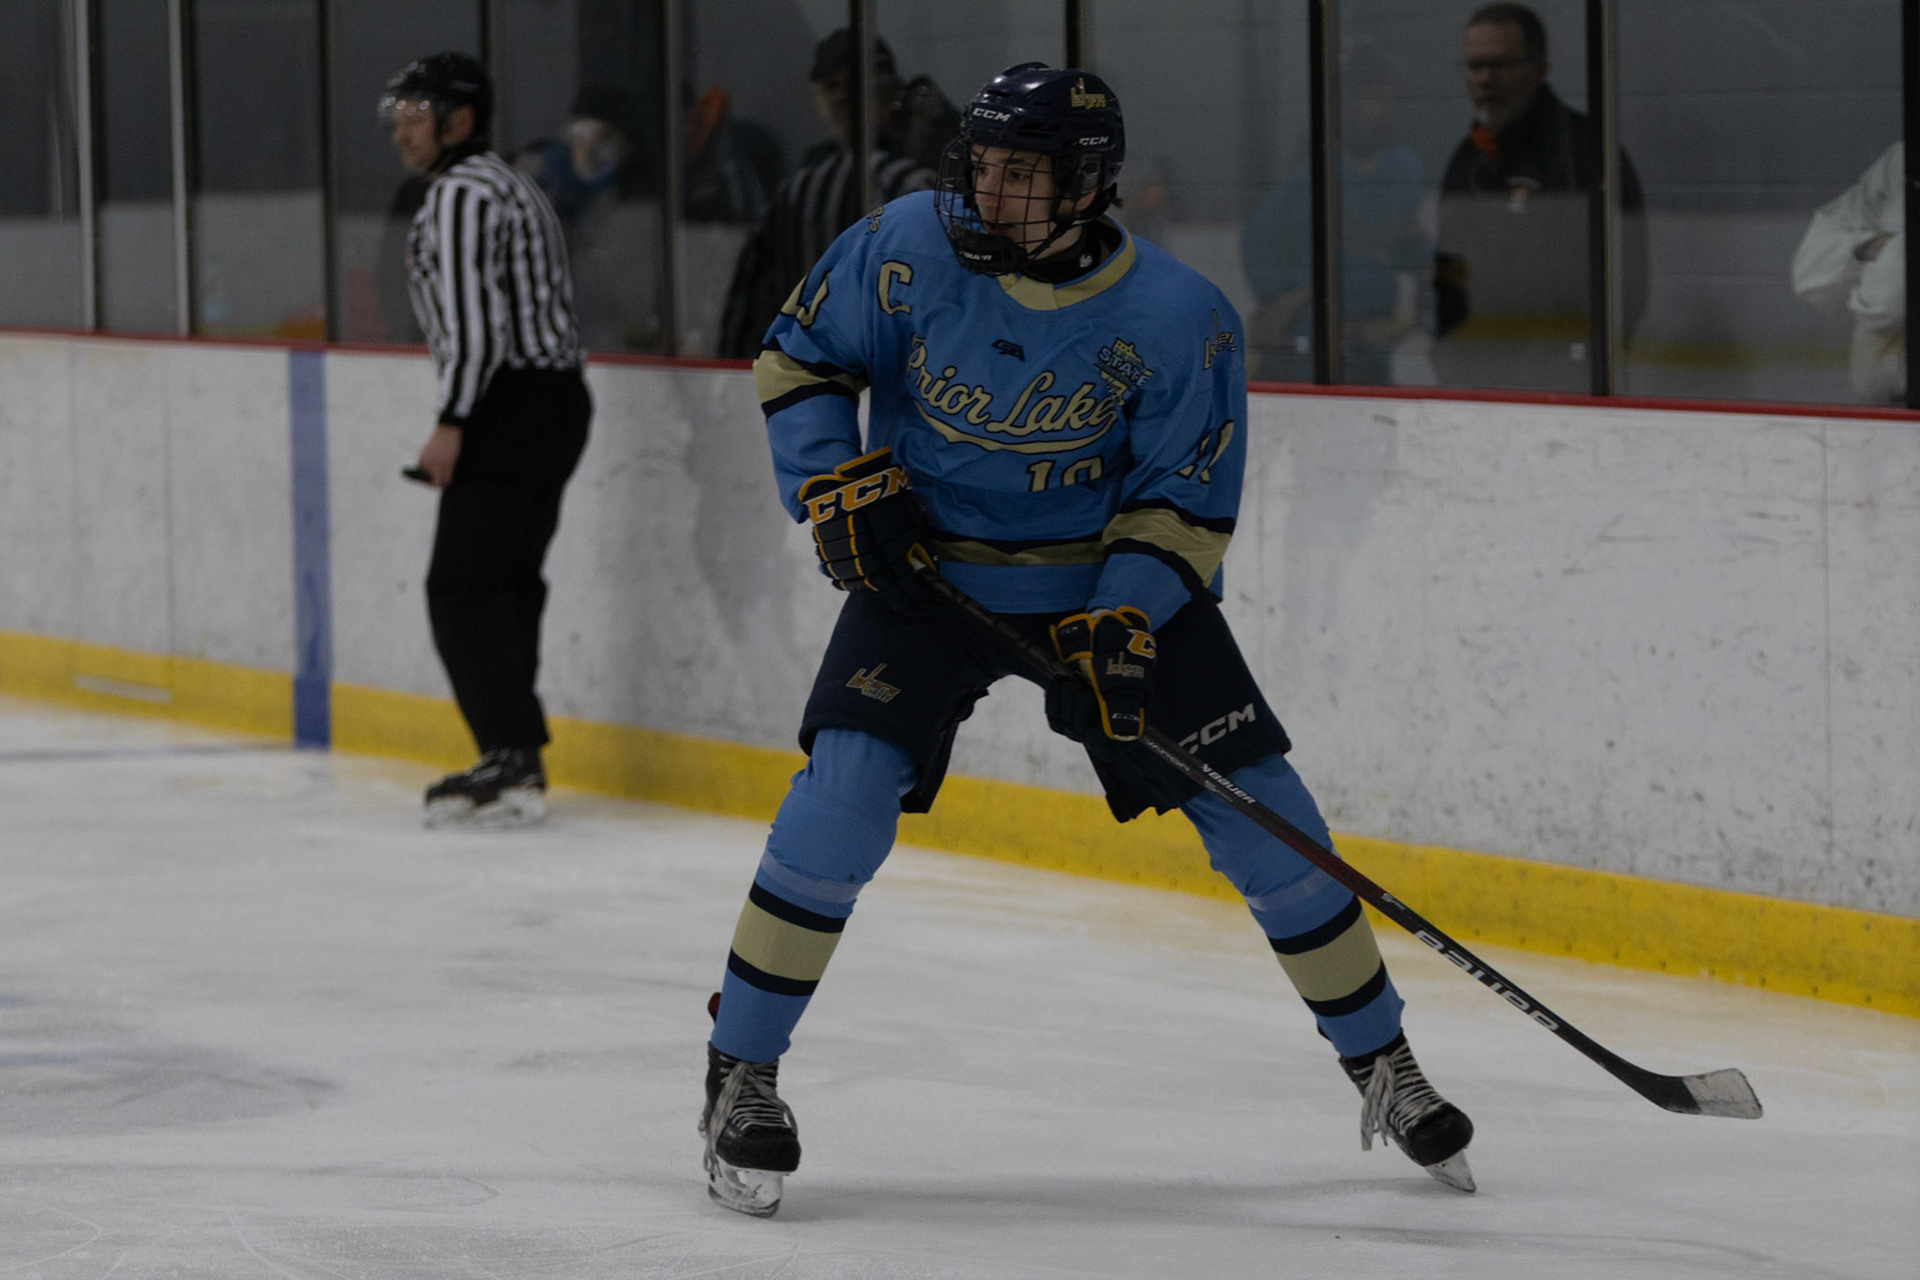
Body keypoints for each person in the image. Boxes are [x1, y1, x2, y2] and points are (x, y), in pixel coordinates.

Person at [697, 62, 1476, 1218]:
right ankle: (740, 1072)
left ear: (1086, 184)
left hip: (1102, 590)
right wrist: (838, 483)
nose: (989, 191)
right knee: (841, 795)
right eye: (981, 165)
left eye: (1021, 173)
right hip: (928, 578)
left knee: (1269, 817)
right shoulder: (904, 245)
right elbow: (798, 357)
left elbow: (1184, 501)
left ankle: (1385, 1063)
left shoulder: (1178, 316)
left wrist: (1123, 621)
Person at [381, 53, 593, 827]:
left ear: (460, 119)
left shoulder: (462, 195)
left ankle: (509, 756)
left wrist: (453, 422)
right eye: (399, 116)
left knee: (463, 588)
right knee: (506, 584)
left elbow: (478, 330)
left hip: (508, 405)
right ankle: (515, 757)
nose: (401, 131)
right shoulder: (508, 182)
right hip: (551, 402)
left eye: (417, 115)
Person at [1432, 2, 1647, 390]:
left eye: (1500, 65)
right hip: (1477, 381)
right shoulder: (1466, 160)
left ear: (1539, 69)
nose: (1485, 79)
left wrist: (1589, 366)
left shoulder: (1585, 152)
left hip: (1566, 383)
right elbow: (1448, 272)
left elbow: (1627, 274)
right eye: (1475, 66)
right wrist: (1449, 356)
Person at [714, 29, 949, 358]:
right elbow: (751, 297)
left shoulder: (923, 174)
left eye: (853, 85)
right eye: (831, 87)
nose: (842, 98)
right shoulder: (801, 188)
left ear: (890, 89)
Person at [1241, 42, 1434, 385]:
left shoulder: (1405, 169)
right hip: (1305, 357)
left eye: (1389, 98)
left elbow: (1406, 244)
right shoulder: (1311, 176)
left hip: (1370, 352)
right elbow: (1258, 245)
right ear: (1346, 104)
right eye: (1374, 98)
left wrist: (1431, 268)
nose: (1385, 108)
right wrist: (1288, 301)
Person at [1791, 142, 1906, 405]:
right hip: (1880, 412)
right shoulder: (1902, 162)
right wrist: (1873, 247)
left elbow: (1888, 306)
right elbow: (1810, 275)